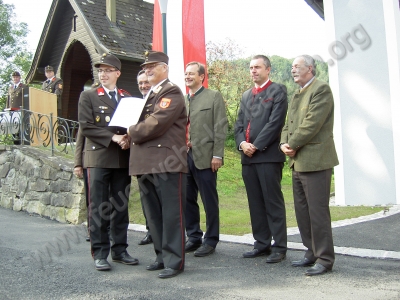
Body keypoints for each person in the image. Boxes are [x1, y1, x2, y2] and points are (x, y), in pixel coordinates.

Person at [128, 51, 187, 279]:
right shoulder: (149, 94)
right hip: (145, 163)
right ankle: (161, 256)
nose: (147, 70)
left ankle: (175, 261)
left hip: (166, 163)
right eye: (145, 67)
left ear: (165, 68)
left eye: (152, 66)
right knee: (153, 215)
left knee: (171, 215)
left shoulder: (170, 91)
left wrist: (129, 132)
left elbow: (156, 123)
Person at [78, 53, 138, 271]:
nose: (103, 74)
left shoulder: (126, 98)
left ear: (117, 73)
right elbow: (86, 127)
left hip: (122, 159)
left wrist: (129, 137)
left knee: (120, 208)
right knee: (99, 208)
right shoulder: (89, 96)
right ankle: (100, 253)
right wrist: (113, 137)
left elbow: (132, 124)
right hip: (99, 158)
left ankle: (120, 250)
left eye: (107, 70)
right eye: (100, 70)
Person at [280, 54, 339, 276]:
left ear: (310, 69)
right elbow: (289, 124)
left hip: (316, 161)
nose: (293, 70)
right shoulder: (298, 93)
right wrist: (284, 143)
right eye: (292, 67)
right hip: (298, 161)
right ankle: (311, 251)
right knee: (302, 212)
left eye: (297, 66)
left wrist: (292, 144)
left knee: (317, 212)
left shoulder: (321, 90)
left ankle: (324, 259)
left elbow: (312, 123)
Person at [234, 55, 288, 263]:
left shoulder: (278, 90)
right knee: (255, 203)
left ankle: (280, 247)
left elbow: (275, 123)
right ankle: (261, 244)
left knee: (272, 202)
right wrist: (242, 144)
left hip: (267, 156)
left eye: (257, 67)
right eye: (250, 67)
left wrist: (255, 146)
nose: (253, 71)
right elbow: (239, 125)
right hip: (247, 158)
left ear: (268, 70)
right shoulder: (247, 95)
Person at [183, 62, 227, 257]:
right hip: (183, 158)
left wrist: (217, 155)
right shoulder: (183, 100)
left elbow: (220, 126)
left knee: (209, 200)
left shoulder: (213, 97)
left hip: (206, 157)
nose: (188, 76)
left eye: (192, 73)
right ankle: (193, 237)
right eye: (186, 74)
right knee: (187, 199)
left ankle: (211, 240)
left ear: (202, 76)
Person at [136, 70, 153, 246]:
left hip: (158, 159)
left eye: (146, 82)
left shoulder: (157, 102)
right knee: (145, 196)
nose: (143, 86)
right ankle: (150, 230)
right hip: (140, 158)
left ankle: (160, 231)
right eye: (140, 83)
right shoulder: (134, 104)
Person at [73, 129, 90, 242]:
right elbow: (80, 140)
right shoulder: (87, 114)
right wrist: (78, 163)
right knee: (92, 200)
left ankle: (111, 230)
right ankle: (92, 230)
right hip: (89, 162)